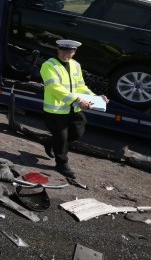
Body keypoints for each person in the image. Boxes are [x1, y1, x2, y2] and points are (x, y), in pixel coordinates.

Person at [40, 39, 109, 179]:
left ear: (74, 52)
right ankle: (61, 164)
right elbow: (55, 88)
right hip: (56, 110)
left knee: (77, 131)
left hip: (73, 108)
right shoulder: (48, 66)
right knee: (61, 137)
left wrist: (96, 98)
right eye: (63, 50)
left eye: (70, 51)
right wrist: (77, 100)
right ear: (58, 50)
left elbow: (81, 86)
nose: (66, 53)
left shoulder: (75, 65)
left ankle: (49, 142)